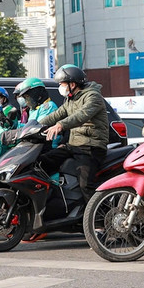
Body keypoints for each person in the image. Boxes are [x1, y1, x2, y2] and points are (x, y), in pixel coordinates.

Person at [35, 65, 110, 200]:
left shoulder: (93, 96)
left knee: (86, 185)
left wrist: (60, 125)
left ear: (73, 84)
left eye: (62, 84)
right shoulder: (70, 99)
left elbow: (82, 115)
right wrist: (34, 126)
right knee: (41, 163)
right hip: (74, 145)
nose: (60, 87)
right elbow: (57, 114)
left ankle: (98, 217)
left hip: (90, 146)